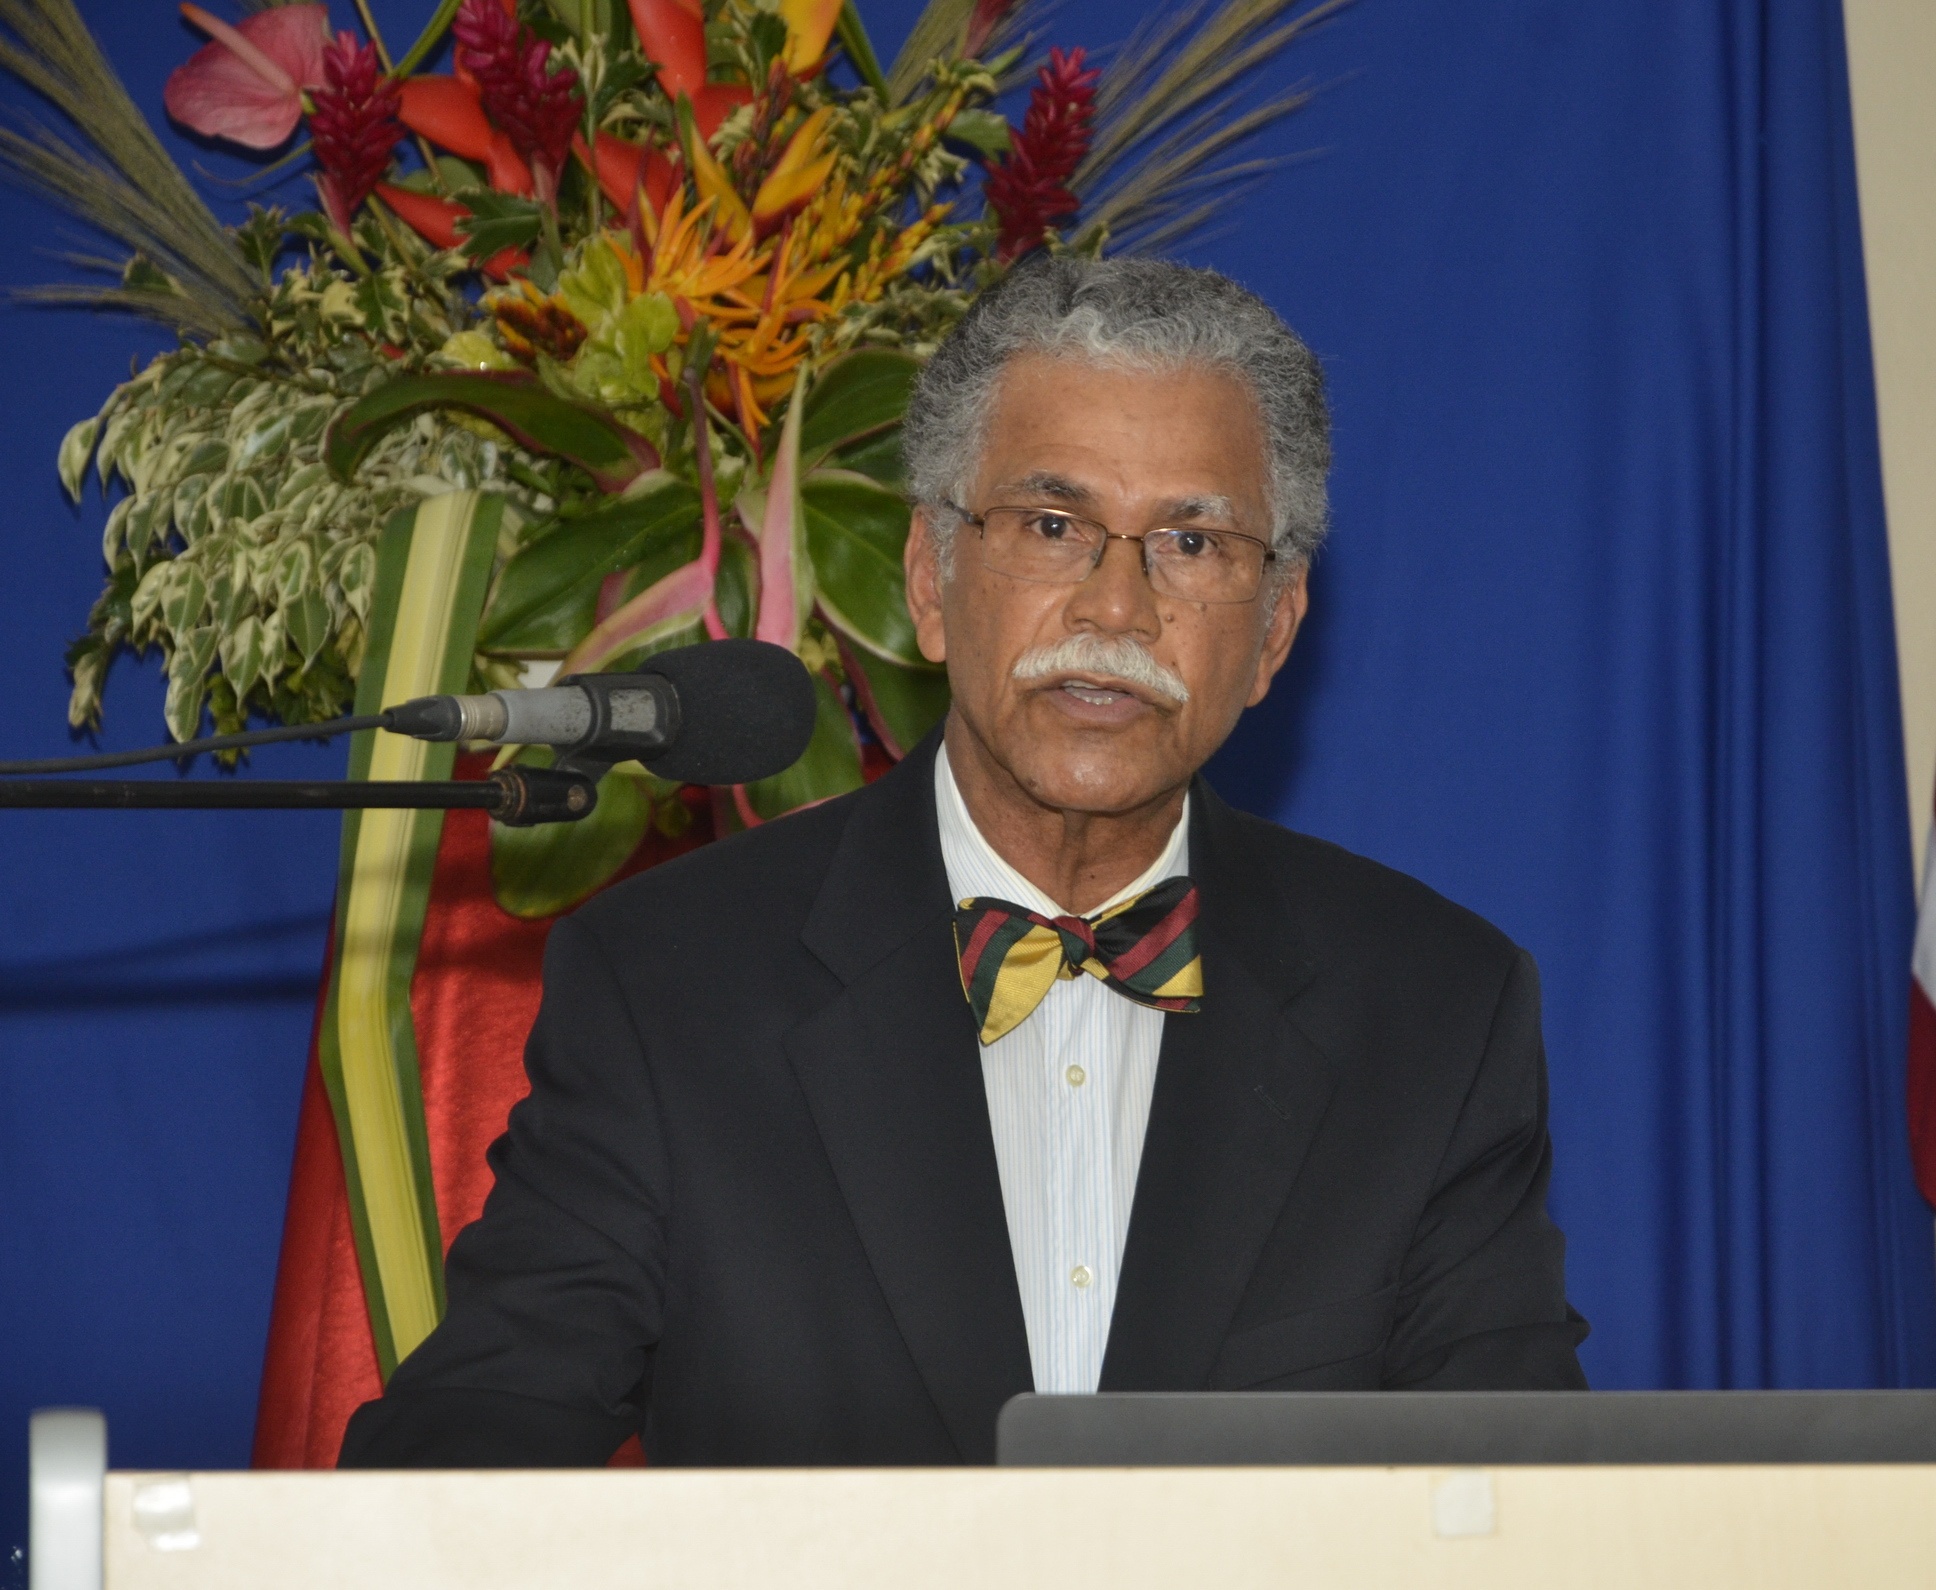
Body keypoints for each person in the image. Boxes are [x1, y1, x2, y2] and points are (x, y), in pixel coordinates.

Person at [342, 256, 1587, 1468]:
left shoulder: (1434, 1013)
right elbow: (465, 1462)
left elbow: (1527, 1515)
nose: (1117, 608)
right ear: (930, 581)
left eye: (1193, 545)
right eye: (1054, 525)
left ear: (1274, 634)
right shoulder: (669, 987)